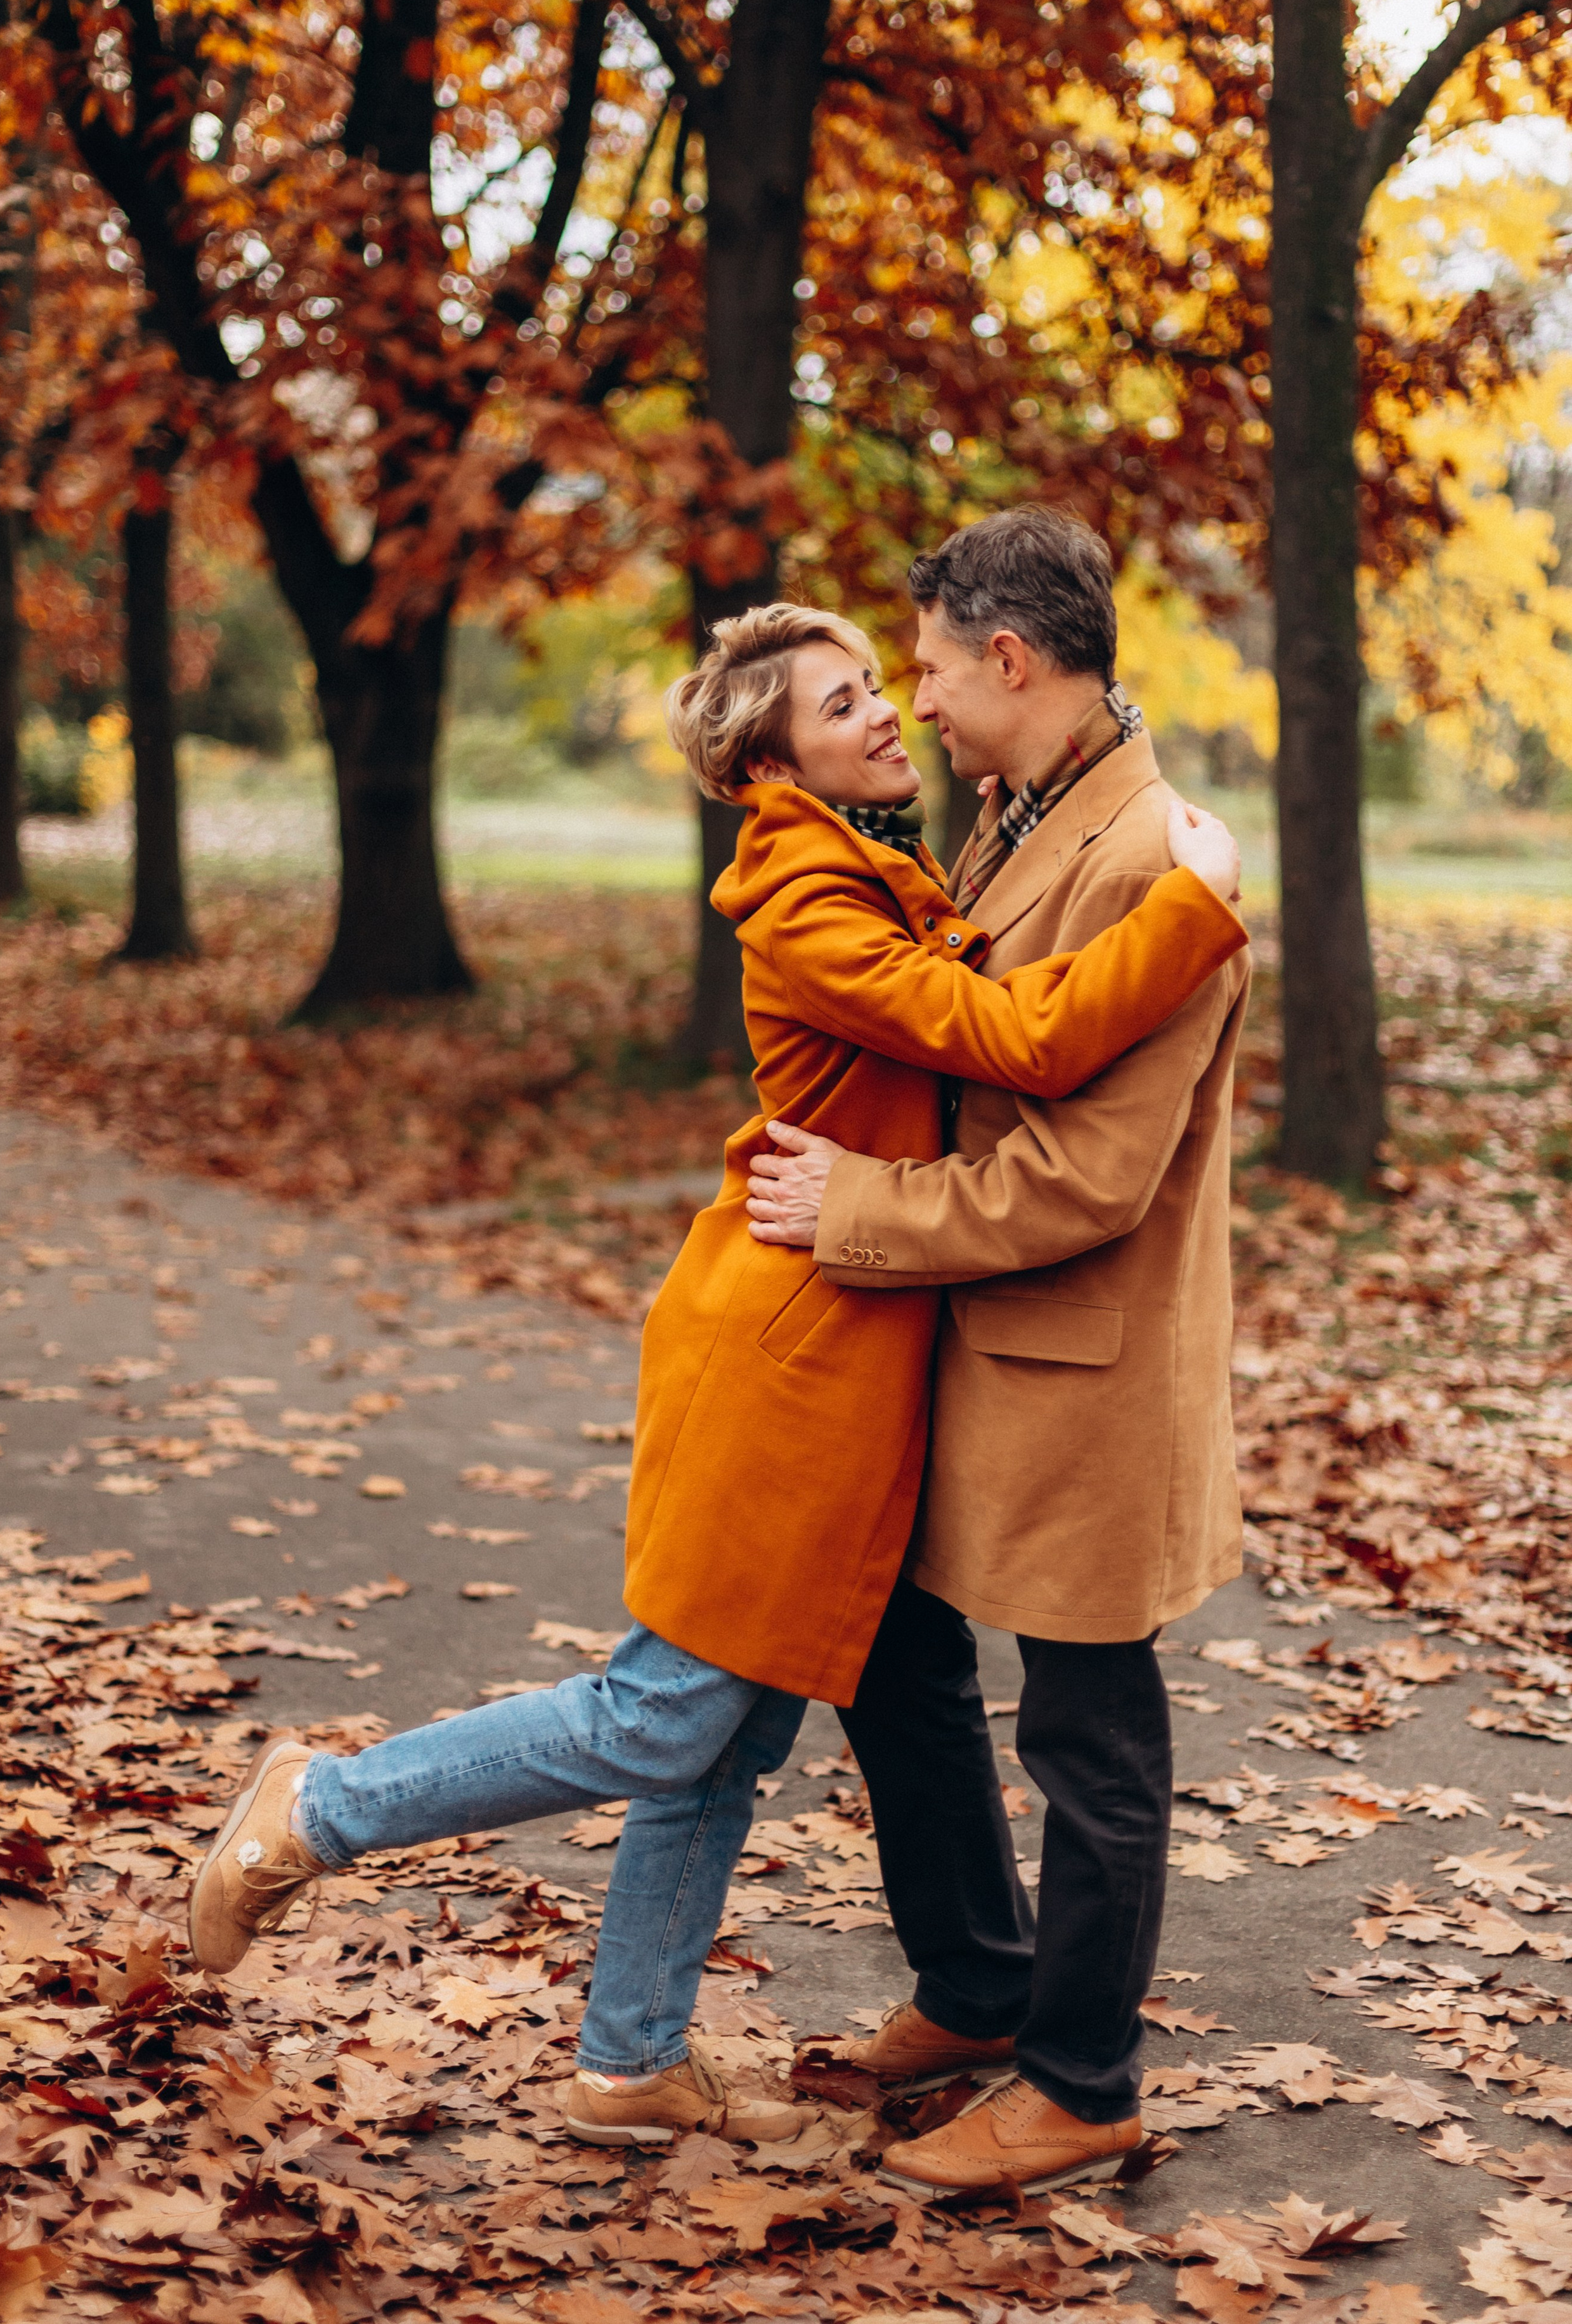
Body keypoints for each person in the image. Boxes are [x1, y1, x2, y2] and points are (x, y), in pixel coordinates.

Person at [187, 596, 1245, 2154]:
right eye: (841, 703)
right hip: (795, 1353)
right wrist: (1195, 904)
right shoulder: (805, 894)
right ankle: (319, 1805)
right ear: (770, 759)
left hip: (859, 1342)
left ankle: (627, 2060)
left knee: (728, 1730)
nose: (887, 712)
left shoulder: (888, 855)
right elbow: (1002, 1030)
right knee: (664, 1711)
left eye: (888, 684)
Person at [744, 507, 1252, 2196]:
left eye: (940, 672)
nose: (923, 708)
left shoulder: (1150, 857)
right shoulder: (1016, 809)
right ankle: (978, 1981)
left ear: (1013, 660)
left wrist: (860, 1210)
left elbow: (1093, 1175)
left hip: (1078, 1358)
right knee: (892, 1651)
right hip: (970, 1347)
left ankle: (1083, 2075)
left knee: (1091, 1725)